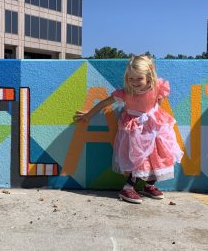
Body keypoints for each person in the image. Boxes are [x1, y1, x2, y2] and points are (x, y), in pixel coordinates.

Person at [74, 55, 183, 204]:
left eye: (139, 79)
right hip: (135, 130)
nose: (134, 82)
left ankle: (147, 185)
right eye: (131, 79)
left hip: (155, 127)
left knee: (159, 156)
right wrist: (89, 114)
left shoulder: (158, 87)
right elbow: (105, 102)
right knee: (140, 159)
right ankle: (127, 187)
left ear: (149, 76)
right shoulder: (126, 93)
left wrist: (159, 123)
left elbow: (158, 104)